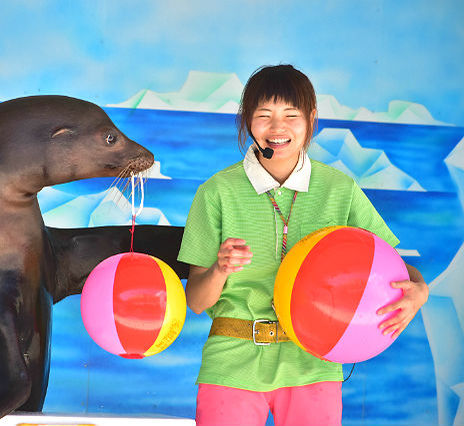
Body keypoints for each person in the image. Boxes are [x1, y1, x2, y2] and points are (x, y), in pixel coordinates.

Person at [177, 64, 429, 426]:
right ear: (247, 119)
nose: (277, 128)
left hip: (314, 364)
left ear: (311, 119)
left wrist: (419, 290)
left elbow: (394, 266)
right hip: (231, 362)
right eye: (264, 115)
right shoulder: (216, 192)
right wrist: (220, 269)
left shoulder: (340, 190)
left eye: (291, 116)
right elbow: (197, 302)